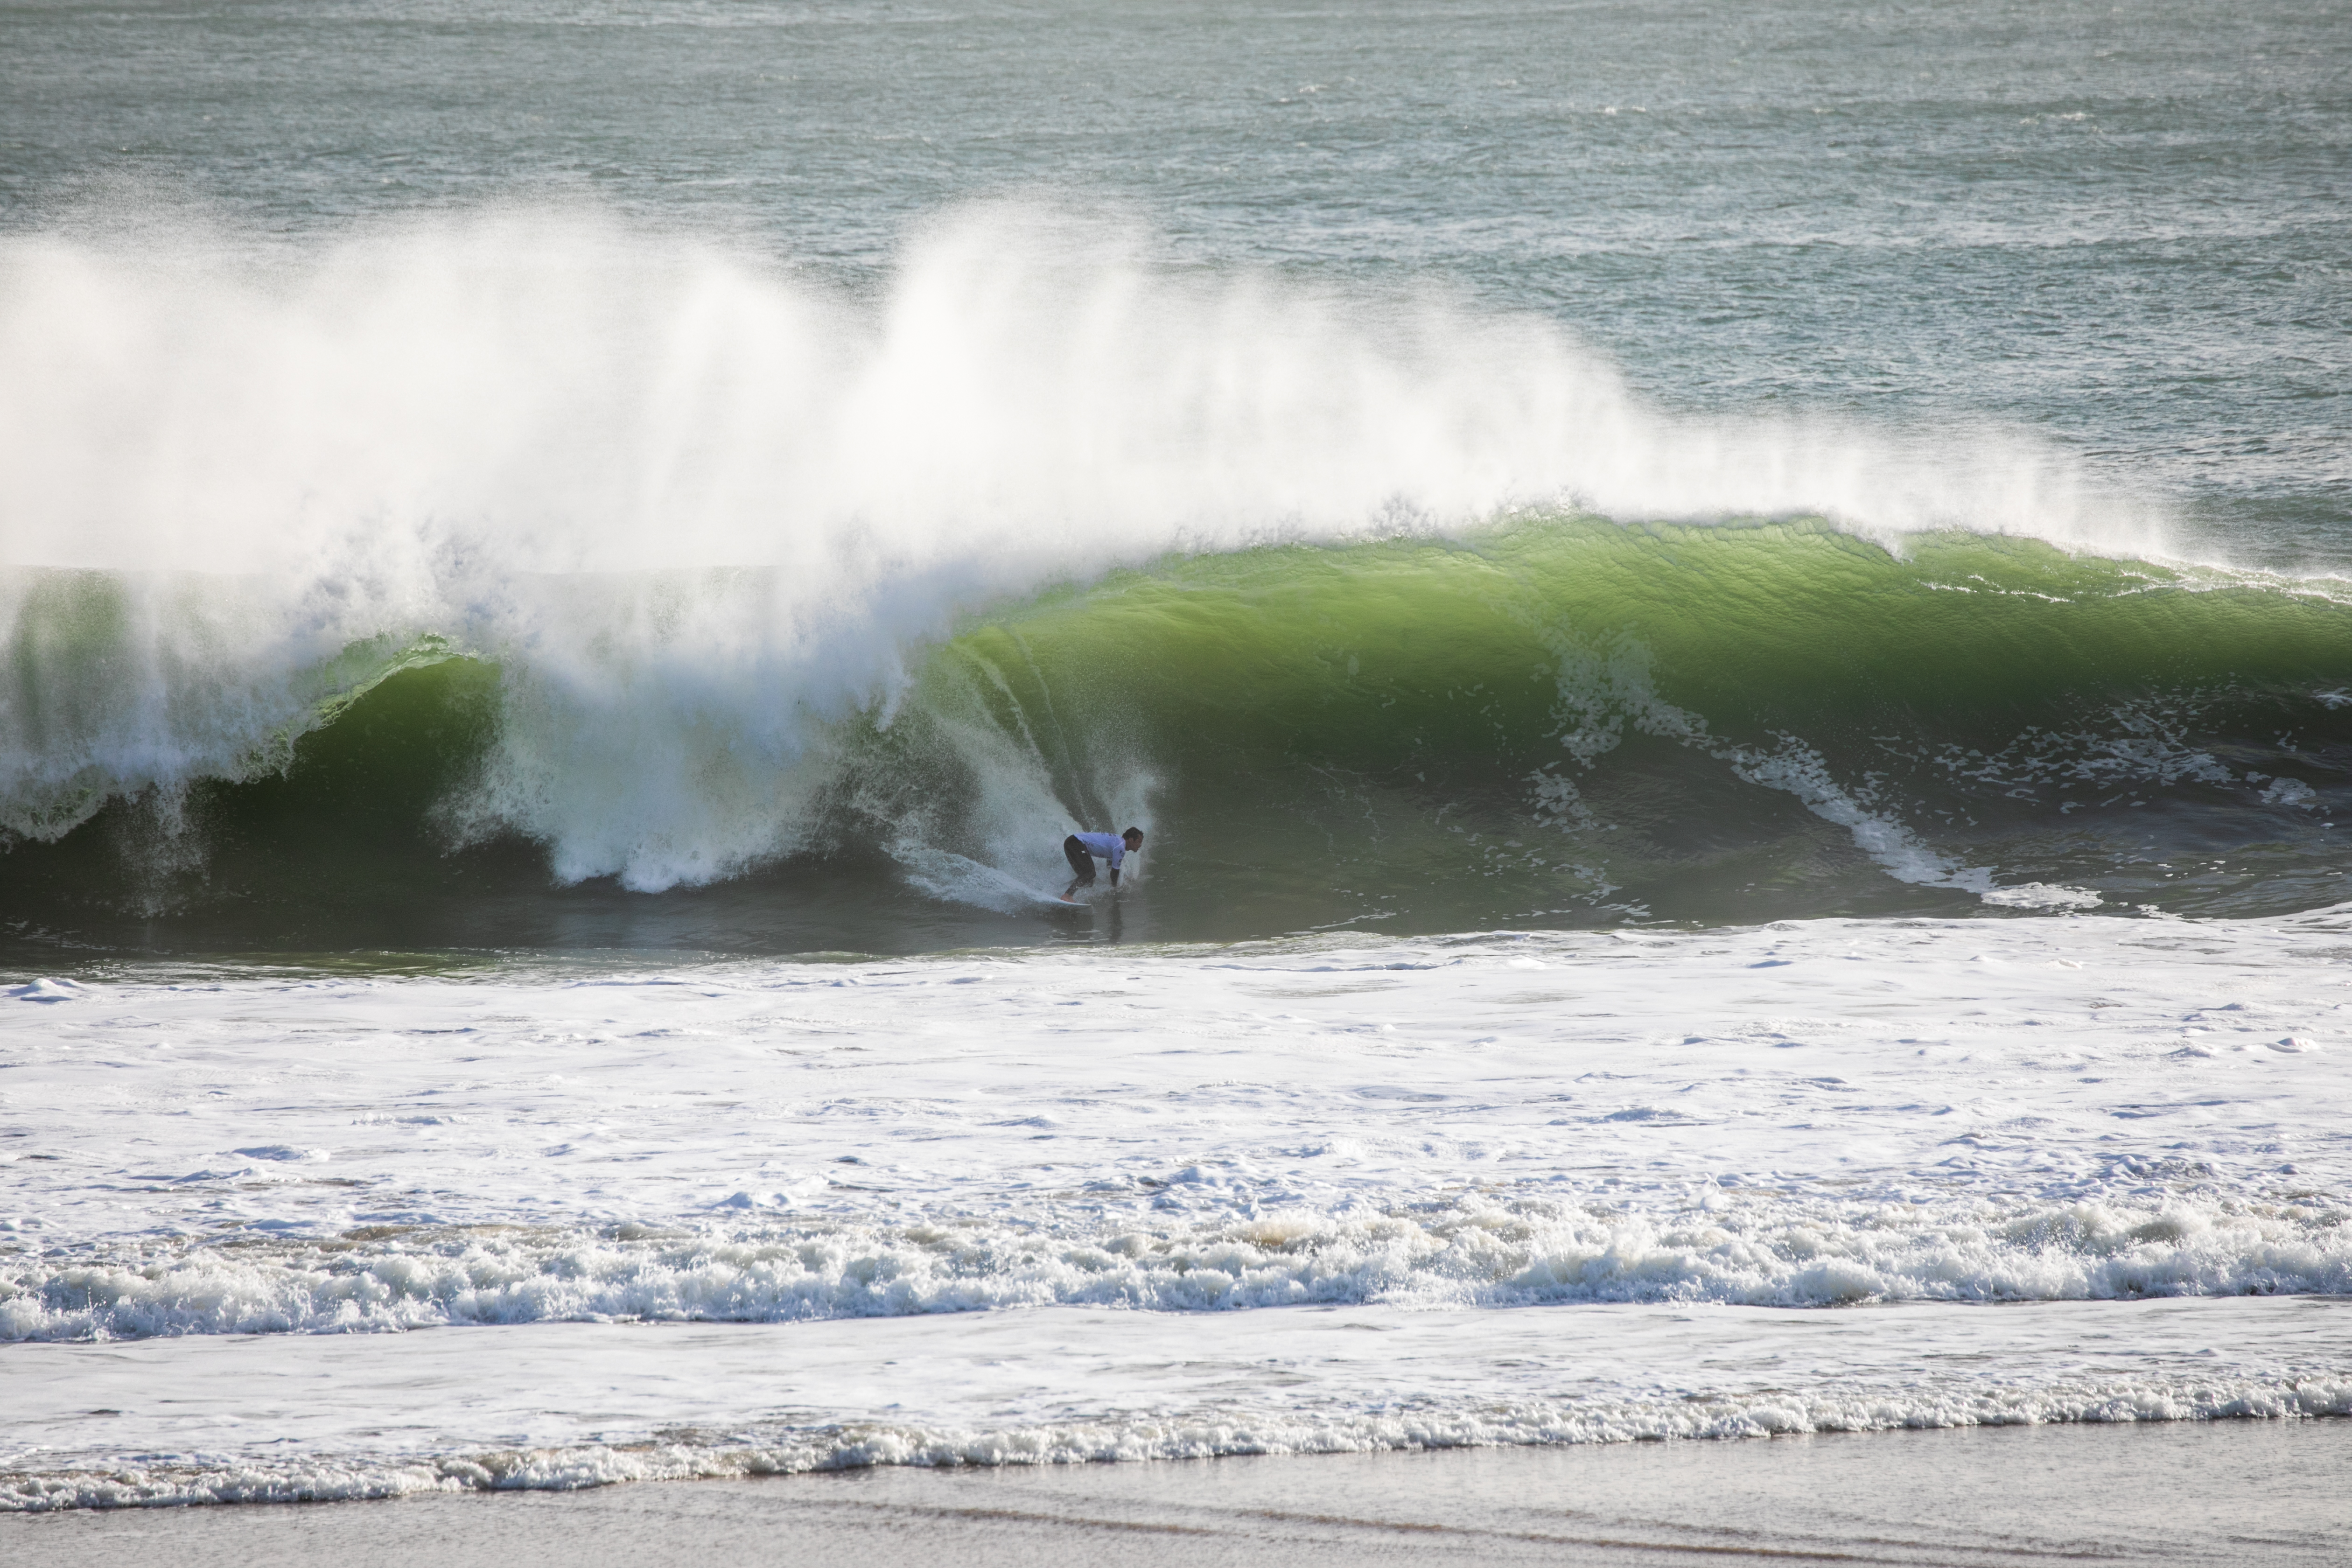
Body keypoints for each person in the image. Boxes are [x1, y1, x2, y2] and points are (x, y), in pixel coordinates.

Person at [1063, 826, 1144, 899]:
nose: (1140, 845)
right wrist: (1115, 888)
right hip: (1076, 844)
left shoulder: (1117, 842)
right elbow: (1115, 871)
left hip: (1071, 843)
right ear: (1131, 840)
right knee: (1090, 873)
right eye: (1139, 842)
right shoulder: (1120, 847)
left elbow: (1110, 866)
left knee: (1089, 881)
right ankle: (1067, 896)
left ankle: (1063, 888)